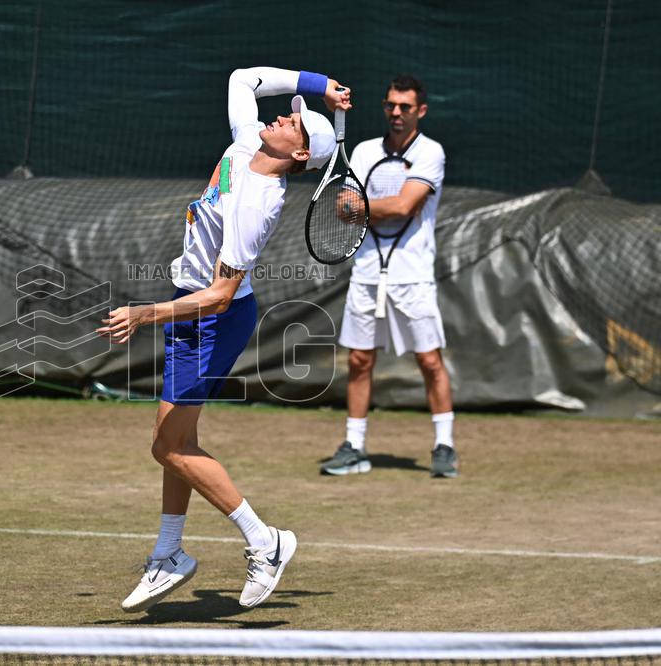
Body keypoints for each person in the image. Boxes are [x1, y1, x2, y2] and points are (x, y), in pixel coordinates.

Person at [97, 66, 351, 612]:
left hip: (213, 318)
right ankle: (169, 554)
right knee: (176, 443)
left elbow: (217, 295)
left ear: (300, 155)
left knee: (168, 446)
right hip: (195, 310)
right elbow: (244, 79)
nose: (285, 116)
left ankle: (266, 541)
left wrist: (146, 313)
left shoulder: (256, 206)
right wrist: (316, 85)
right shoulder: (243, 146)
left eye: (296, 123)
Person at [320, 74, 457, 479]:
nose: (396, 114)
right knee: (360, 360)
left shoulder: (431, 152)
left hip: (412, 275)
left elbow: (404, 207)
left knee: (430, 361)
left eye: (405, 107)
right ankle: (354, 447)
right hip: (366, 271)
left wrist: (366, 204)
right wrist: (377, 205)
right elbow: (343, 208)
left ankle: (444, 446)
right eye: (390, 106)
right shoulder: (363, 152)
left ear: (421, 111)